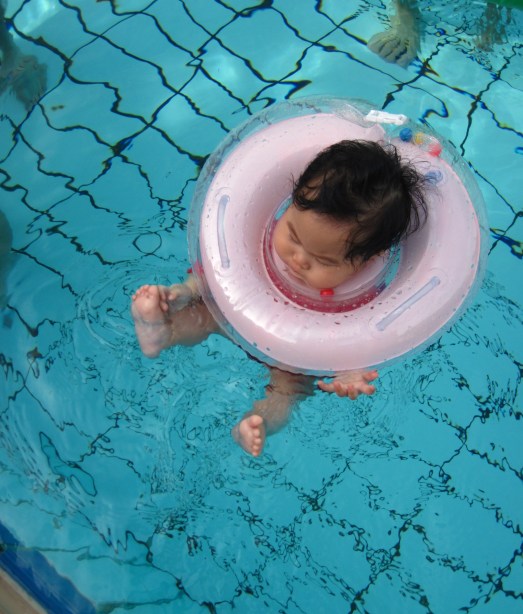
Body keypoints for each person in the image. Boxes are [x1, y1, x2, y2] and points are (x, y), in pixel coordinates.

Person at [131, 140, 428, 457]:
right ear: (290, 201)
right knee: (205, 309)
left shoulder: (368, 297)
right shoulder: (258, 237)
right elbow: (220, 271)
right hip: (237, 312)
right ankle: (163, 328)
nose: (298, 259)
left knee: (287, 394)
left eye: (323, 260)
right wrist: (191, 289)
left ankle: (256, 424)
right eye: (294, 236)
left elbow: (363, 337)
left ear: (370, 260)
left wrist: (350, 374)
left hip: (290, 359)